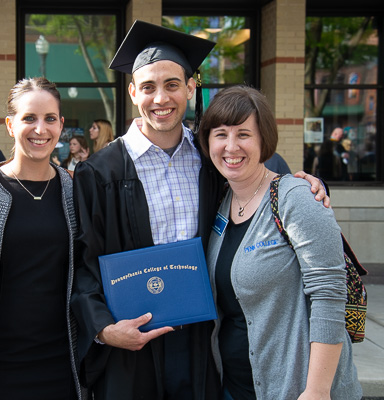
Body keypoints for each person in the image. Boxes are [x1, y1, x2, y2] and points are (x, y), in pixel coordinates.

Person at [71, 20, 329, 400]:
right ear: (132, 93)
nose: (161, 98)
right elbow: (82, 261)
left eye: (172, 85)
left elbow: (259, 184)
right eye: (148, 87)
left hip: (203, 341)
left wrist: (302, 185)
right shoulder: (99, 172)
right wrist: (104, 329)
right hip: (133, 343)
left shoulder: (214, 159)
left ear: (190, 88)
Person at [197, 85, 362, 400]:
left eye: (244, 134)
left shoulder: (295, 197)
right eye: (220, 134)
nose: (231, 147)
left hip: (296, 389)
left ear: (263, 139)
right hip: (235, 388)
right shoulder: (219, 202)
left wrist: (317, 391)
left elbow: (329, 296)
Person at [0, 77, 83, 400]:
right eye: (29, 118)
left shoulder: (76, 191)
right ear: (10, 125)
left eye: (50, 119)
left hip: (62, 365)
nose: (41, 129)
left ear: (61, 125)